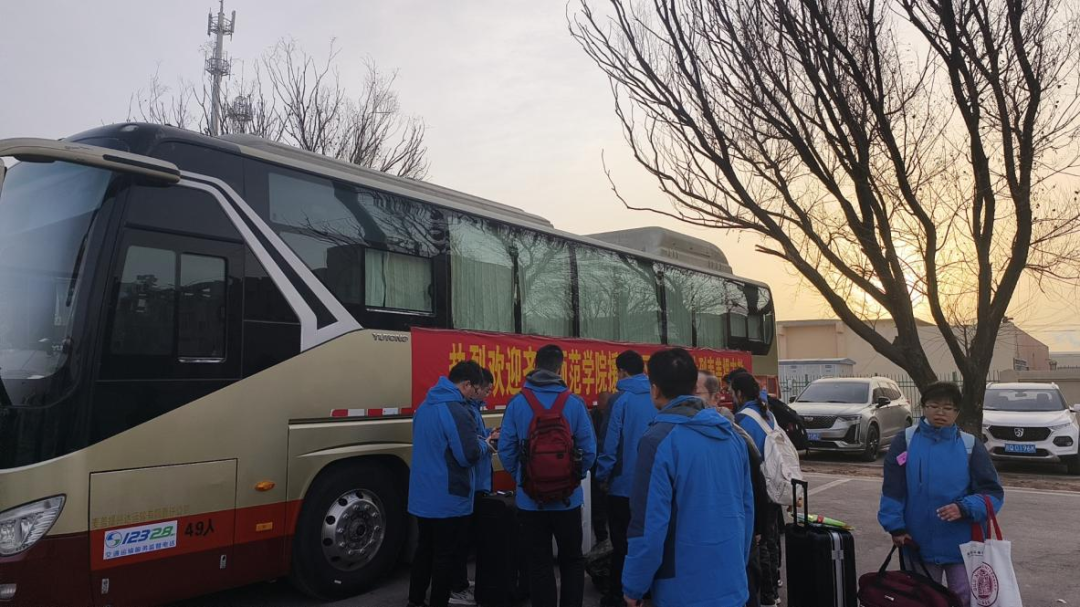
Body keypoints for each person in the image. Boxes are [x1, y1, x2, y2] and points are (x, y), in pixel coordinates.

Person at [622, 348, 754, 607]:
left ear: (655, 390)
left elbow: (648, 526)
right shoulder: (731, 436)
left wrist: (634, 587)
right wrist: (736, 566)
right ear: (694, 387)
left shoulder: (657, 441)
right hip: (732, 583)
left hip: (681, 591)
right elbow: (747, 510)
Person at [879, 382, 1004, 606]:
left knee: (963, 598)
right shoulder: (905, 441)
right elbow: (893, 488)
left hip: (964, 544)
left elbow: (993, 493)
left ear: (957, 412)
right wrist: (895, 527)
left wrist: (964, 508)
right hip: (917, 542)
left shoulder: (970, 445)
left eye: (948, 408)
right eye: (934, 406)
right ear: (923, 407)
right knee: (923, 599)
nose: (940, 412)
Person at [498, 344, 597, 607]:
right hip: (568, 501)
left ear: (535, 365)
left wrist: (524, 478)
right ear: (559, 368)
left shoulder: (518, 403)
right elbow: (589, 450)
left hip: (531, 502)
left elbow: (506, 449)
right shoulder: (574, 403)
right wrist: (572, 478)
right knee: (572, 560)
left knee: (539, 563)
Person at [408, 360, 494, 607]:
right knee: (444, 556)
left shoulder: (425, 406)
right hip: (447, 497)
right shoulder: (457, 410)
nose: (473, 394)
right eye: (474, 388)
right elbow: (467, 455)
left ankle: (415, 601)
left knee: (424, 550)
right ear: (466, 384)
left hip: (422, 495)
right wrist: (485, 445)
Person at [698, 371, 768, 607]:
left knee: (748, 575)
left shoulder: (739, 429)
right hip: (744, 526)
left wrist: (756, 527)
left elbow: (753, 484)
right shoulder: (756, 416)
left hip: (740, 531)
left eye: (697, 394)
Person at [595, 351, 657, 607]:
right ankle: (648, 589)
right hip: (654, 486)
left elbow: (609, 445)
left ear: (621, 371)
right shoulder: (657, 396)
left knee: (622, 545)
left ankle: (619, 595)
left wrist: (602, 476)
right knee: (649, 540)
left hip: (623, 487)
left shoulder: (620, 400)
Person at [731, 373, 782, 607]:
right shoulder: (767, 414)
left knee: (759, 542)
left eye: (731, 392)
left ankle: (767, 596)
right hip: (774, 484)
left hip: (757, 487)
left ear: (739, 394)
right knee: (771, 538)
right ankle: (775, 588)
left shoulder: (742, 419)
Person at [449, 368, 498, 606]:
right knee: (461, 539)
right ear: (473, 386)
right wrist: (487, 443)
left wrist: (489, 435)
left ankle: (460, 583)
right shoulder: (463, 410)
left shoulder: (473, 409)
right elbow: (470, 448)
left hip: (479, 481)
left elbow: (476, 437)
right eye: (485, 389)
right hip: (472, 483)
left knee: (467, 537)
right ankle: (456, 587)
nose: (487, 394)